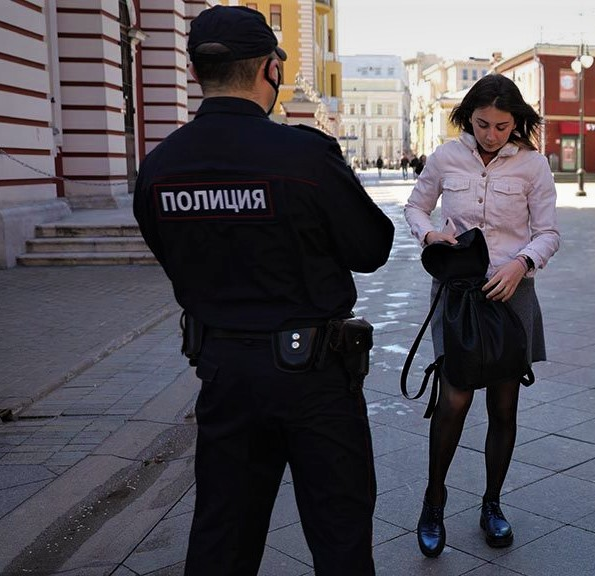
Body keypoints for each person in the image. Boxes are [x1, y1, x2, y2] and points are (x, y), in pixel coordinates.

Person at [132, 6, 394, 575]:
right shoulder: (303, 155)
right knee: (340, 531)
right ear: (270, 71)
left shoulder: (159, 167)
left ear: (199, 72)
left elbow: (172, 258)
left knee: (223, 533)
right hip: (315, 378)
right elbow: (371, 249)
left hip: (223, 371)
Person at [403, 74, 560, 558]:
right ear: (469, 118)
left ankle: (492, 504)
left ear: (518, 122)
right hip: (459, 294)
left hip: (511, 296)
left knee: (504, 407)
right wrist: (430, 236)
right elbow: (415, 207)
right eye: (483, 124)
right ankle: (434, 501)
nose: (491, 135)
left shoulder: (534, 166)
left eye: (501, 126)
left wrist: (522, 262)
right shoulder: (447, 156)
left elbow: (549, 232)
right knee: (453, 401)